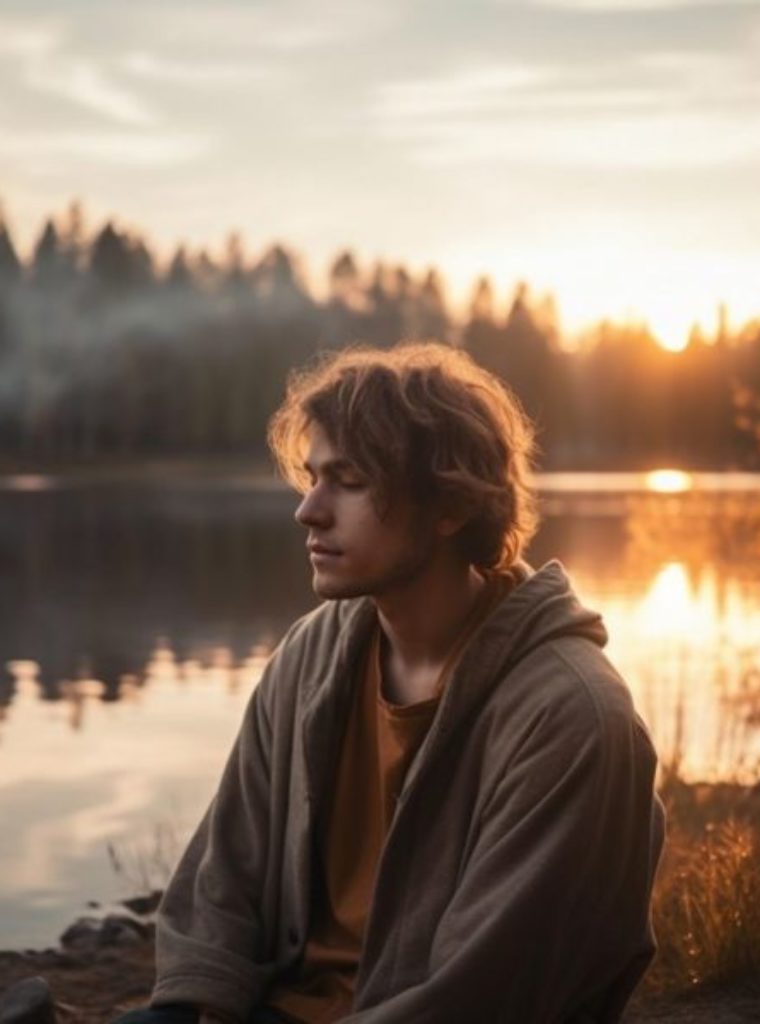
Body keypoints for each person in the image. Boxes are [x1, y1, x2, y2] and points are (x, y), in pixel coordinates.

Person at [114, 342, 665, 1024]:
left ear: (450, 505)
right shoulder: (310, 654)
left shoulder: (571, 716)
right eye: (312, 477)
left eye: (347, 481)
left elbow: (486, 992)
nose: (308, 511)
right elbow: (226, 872)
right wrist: (187, 1007)